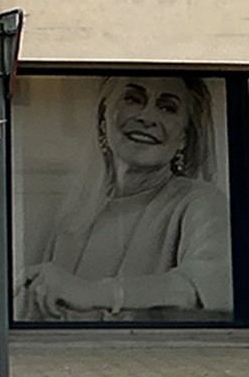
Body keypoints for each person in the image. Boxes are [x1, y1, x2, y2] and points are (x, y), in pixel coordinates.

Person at [19, 76, 231, 322]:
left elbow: (207, 287)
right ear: (103, 119)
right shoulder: (73, 217)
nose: (147, 117)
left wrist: (94, 293)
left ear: (184, 137)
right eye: (133, 99)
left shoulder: (200, 201)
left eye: (167, 108)